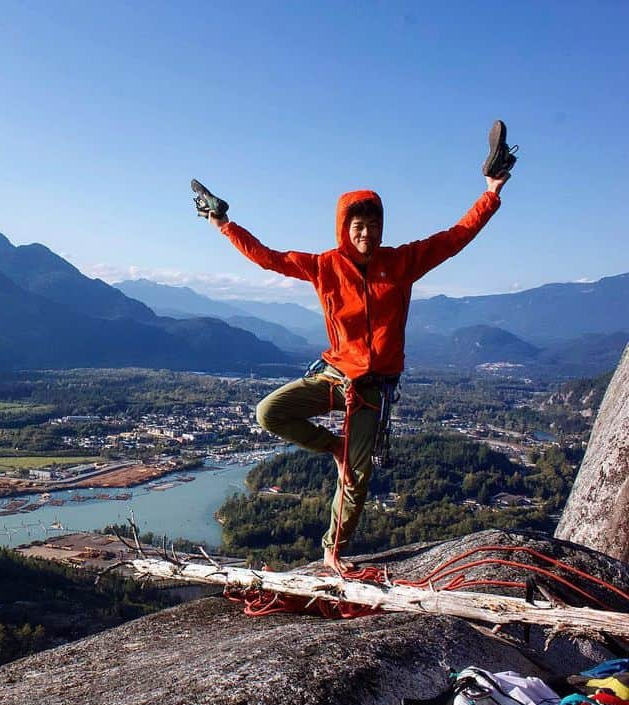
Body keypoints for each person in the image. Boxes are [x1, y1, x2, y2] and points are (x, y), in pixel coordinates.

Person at [193, 125, 514, 573]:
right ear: (345, 228)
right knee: (269, 413)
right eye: (358, 226)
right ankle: (336, 447)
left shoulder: (402, 262)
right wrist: (223, 224)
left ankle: (333, 550)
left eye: (374, 226)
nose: (367, 234)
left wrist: (491, 192)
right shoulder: (326, 266)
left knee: (357, 477)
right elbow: (269, 257)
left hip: (373, 387)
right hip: (335, 375)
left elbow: (456, 236)